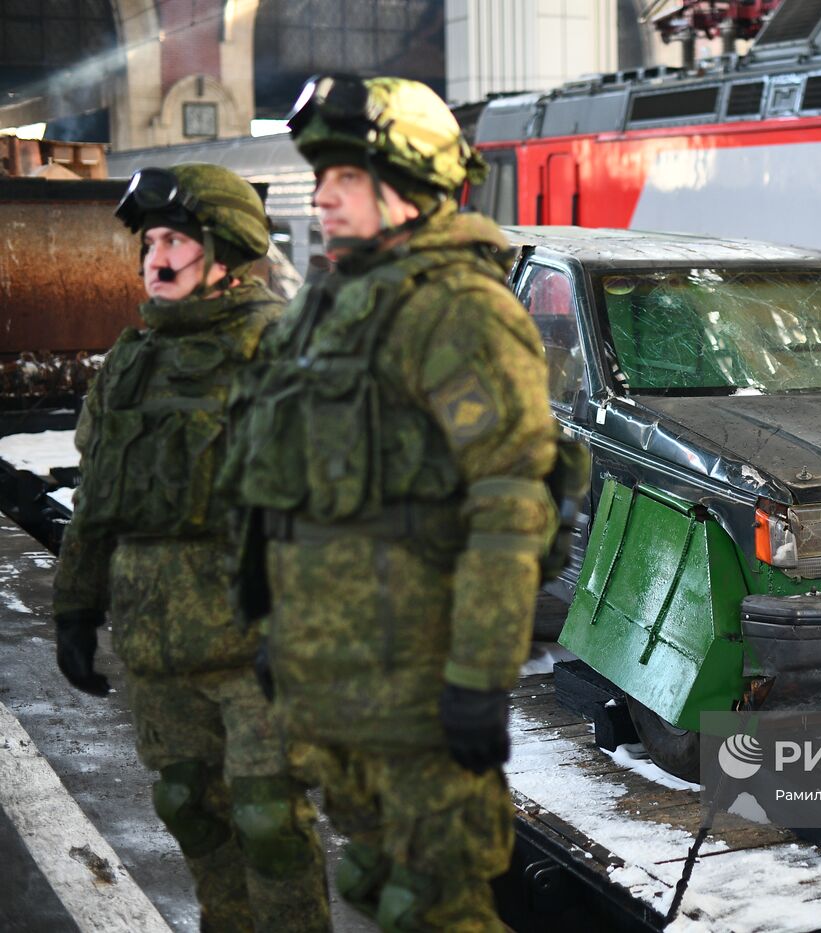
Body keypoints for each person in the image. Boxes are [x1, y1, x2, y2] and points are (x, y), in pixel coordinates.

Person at [222, 75, 556, 930]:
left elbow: (508, 503)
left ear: (407, 186)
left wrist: (479, 680)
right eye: (320, 175)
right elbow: (280, 484)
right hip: (329, 673)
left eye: (343, 177)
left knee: (433, 904)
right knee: (373, 884)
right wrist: (272, 626)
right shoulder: (326, 309)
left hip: (417, 684)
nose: (321, 194)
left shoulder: (458, 311)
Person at [51, 163, 331, 932]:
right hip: (157, 645)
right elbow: (97, 496)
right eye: (150, 242)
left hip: (255, 650)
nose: (156, 257)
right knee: (188, 808)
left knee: (271, 821)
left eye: (176, 239)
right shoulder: (133, 361)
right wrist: (73, 607)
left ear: (228, 252)